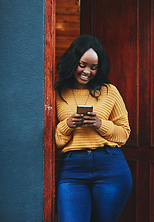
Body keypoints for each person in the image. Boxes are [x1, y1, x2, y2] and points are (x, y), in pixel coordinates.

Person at [55, 35, 132, 222]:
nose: (87, 71)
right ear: (73, 61)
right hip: (73, 168)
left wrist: (99, 124)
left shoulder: (109, 91)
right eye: (82, 64)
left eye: (93, 67)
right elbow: (56, 140)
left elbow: (124, 133)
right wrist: (68, 125)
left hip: (110, 166)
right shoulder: (57, 91)